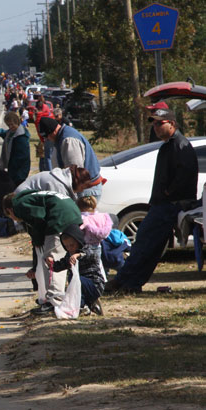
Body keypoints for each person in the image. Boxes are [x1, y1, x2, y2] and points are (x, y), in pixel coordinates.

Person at [105, 109, 198, 294]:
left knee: (145, 243)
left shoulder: (180, 145)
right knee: (150, 247)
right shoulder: (167, 146)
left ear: (171, 123)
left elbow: (185, 175)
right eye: (153, 123)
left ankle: (123, 281)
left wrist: (168, 192)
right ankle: (130, 284)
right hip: (163, 203)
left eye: (159, 123)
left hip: (170, 204)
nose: (155, 127)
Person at [3, 190, 82, 315]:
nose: (15, 220)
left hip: (58, 220)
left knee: (51, 260)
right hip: (72, 214)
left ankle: (54, 301)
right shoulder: (30, 197)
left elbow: (39, 219)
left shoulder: (19, 206)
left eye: (10, 216)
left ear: (10, 210)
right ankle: (55, 298)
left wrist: (38, 238)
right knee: (61, 257)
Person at [46, 223, 105, 316]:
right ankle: (87, 305)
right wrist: (51, 263)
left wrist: (78, 255)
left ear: (79, 240)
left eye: (72, 245)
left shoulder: (88, 248)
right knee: (73, 282)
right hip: (81, 287)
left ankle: (82, 306)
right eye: (66, 246)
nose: (69, 248)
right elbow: (60, 266)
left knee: (73, 278)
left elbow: (89, 254)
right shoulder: (69, 255)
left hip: (94, 285)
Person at [39, 116, 103, 200]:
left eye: (47, 137)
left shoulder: (68, 140)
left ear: (53, 131)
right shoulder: (61, 137)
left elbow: (75, 172)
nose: (47, 139)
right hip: (82, 189)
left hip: (85, 191)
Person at [0, 111, 30, 187]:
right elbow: (6, 134)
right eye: (8, 125)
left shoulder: (21, 136)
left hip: (19, 171)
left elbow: (22, 157)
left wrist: (14, 170)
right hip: (12, 169)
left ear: (17, 122)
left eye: (12, 124)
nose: (10, 127)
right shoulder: (12, 132)